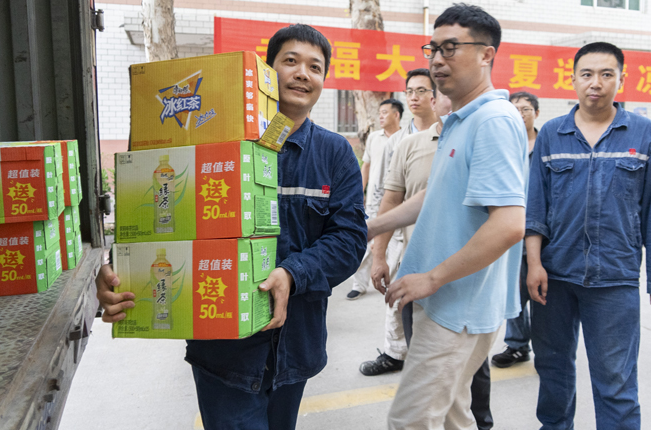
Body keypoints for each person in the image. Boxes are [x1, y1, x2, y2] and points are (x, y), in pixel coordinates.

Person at [95, 24, 367, 430]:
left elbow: (349, 240)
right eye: (291, 61)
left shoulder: (334, 153)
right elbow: (156, 217)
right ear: (267, 73)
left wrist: (292, 273)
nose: (302, 74)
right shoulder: (216, 142)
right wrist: (119, 268)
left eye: (315, 67)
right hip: (224, 351)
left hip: (295, 346)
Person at [368, 3, 528, 430]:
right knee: (455, 416)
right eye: (433, 49)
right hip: (447, 302)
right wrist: (373, 228)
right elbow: (435, 196)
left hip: (458, 307)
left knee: (411, 420)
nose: (437, 59)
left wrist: (433, 278)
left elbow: (509, 224)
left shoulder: (492, 121)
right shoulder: (460, 121)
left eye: (451, 48)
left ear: (487, 54)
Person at [526, 42, 651, 429]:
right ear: (573, 79)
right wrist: (534, 265)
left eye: (607, 74)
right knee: (553, 372)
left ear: (621, 80)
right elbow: (535, 207)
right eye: (587, 74)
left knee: (616, 382)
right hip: (554, 277)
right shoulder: (552, 135)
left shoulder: (644, 134)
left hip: (614, 277)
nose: (596, 82)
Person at [358, 69, 442, 376]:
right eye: (410, 91)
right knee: (395, 296)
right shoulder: (400, 141)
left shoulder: (453, 136)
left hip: (439, 241)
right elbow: (389, 197)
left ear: (436, 96)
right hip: (399, 233)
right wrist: (378, 251)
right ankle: (395, 353)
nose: (414, 97)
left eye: (421, 90)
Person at [491, 91, 540, 369]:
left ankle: (547, 349)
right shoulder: (504, 145)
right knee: (515, 291)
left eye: (525, 109)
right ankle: (518, 345)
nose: (520, 114)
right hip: (513, 231)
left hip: (544, 233)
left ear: (536, 113)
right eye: (515, 109)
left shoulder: (546, 144)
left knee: (542, 295)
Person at [347, 98, 403, 300]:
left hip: (398, 202)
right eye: (379, 113)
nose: (380, 116)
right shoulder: (373, 138)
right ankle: (359, 284)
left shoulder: (406, 138)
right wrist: (359, 193)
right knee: (366, 241)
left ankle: (391, 284)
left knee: (396, 244)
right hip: (374, 200)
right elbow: (366, 166)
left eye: (385, 112)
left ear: (396, 115)